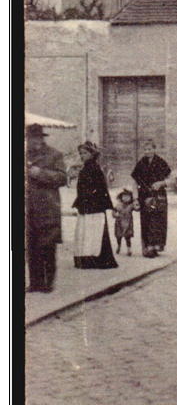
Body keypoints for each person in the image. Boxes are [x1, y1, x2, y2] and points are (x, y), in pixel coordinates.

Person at [25, 123, 67, 293]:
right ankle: (35, 283)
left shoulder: (54, 155)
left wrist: (39, 173)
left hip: (48, 208)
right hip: (29, 209)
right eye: (29, 138)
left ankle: (48, 283)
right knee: (31, 246)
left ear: (41, 138)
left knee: (48, 246)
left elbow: (62, 178)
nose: (32, 141)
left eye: (35, 138)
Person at [72, 142, 118, 270]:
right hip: (85, 204)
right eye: (80, 153)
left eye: (85, 153)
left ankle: (96, 259)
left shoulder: (95, 169)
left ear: (92, 154)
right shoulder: (85, 168)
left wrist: (94, 198)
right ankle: (86, 258)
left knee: (95, 232)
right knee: (85, 232)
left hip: (94, 205)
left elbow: (101, 188)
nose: (82, 156)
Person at [132, 140, 171, 258]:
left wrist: (161, 183)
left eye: (150, 149)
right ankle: (147, 246)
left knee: (158, 220)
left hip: (159, 196)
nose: (147, 151)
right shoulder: (141, 164)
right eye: (145, 149)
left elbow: (171, 179)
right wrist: (135, 198)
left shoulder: (161, 162)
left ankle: (156, 246)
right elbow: (134, 181)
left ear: (154, 149)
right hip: (144, 196)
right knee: (146, 221)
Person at [113, 188, 137, 255]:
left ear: (130, 198)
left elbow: (137, 209)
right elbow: (114, 211)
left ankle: (129, 249)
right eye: (124, 196)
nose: (126, 198)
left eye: (128, 196)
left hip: (128, 224)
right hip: (119, 223)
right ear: (121, 197)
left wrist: (136, 202)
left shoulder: (131, 205)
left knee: (128, 237)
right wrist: (115, 214)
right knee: (118, 237)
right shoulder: (118, 205)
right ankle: (119, 246)